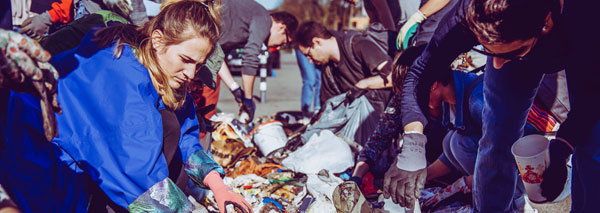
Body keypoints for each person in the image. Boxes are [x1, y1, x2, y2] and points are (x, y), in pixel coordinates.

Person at [0, 1, 251, 212]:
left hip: (87, 155)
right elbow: (138, 174)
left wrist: (217, 184)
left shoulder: (166, 71)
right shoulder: (122, 75)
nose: (191, 73)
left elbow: (187, 133)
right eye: (185, 60)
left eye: (199, 64)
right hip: (39, 145)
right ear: (157, 40)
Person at [389, 0, 569, 211]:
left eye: (505, 54)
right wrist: (413, 142)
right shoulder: (469, 17)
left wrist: (565, 145)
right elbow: (420, 73)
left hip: (570, 47)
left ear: (546, 22)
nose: (495, 66)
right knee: (497, 135)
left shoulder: (581, 20)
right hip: (527, 39)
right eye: (487, 51)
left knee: (590, 147)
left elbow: (590, 100)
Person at [212, 0, 298, 122]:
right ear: (282, 28)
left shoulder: (242, 28)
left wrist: (235, 88)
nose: (278, 47)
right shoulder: (264, 19)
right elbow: (250, 57)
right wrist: (248, 99)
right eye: (284, 42)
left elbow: (216, 55)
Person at [295, 21, 393, 115]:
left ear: (317, 42)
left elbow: (393, 77)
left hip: (385, 114)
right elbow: (327, 107)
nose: (309, 61)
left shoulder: (357, 44)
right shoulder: (328, 70)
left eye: (308, 54)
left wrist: (363, 84)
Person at [295, 47, 322, 116]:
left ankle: (318, 109)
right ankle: (305, 111)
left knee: (321, 79)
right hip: (304, 46)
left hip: (319, 48)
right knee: (310, 79)